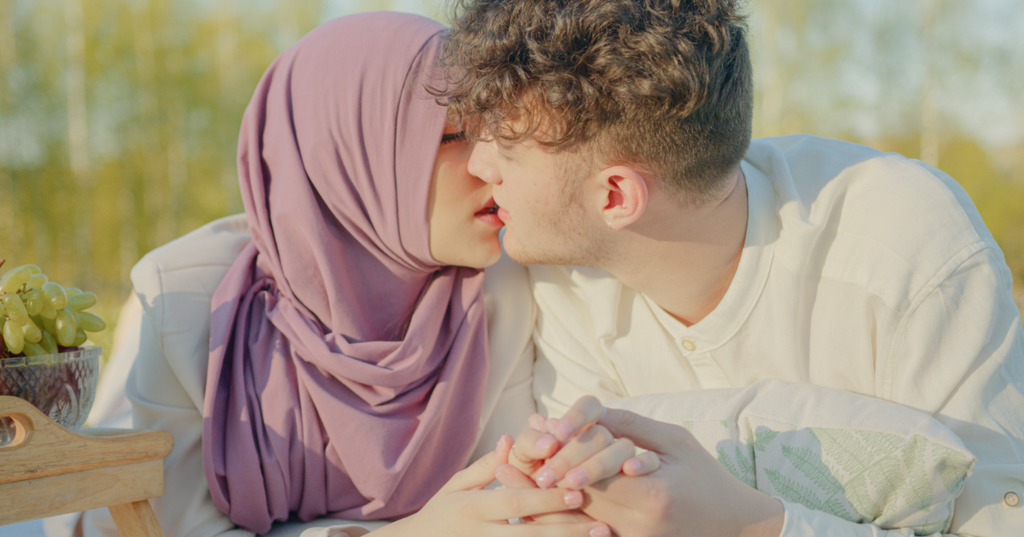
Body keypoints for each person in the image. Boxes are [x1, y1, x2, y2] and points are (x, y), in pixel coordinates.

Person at [431, 0, 1024, 536]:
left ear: (616, 197)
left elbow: (999, 521)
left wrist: (758, 526)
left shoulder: (905, 247)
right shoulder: (561, 278)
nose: (478, 166)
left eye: (505, 149)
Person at [84, 11, 629, 537]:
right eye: (454, 134)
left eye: (499, 134)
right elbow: (175, 531)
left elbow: (501, 507)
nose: (491, 163)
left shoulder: (503, 287)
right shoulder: (185, 303)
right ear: (348, 160)